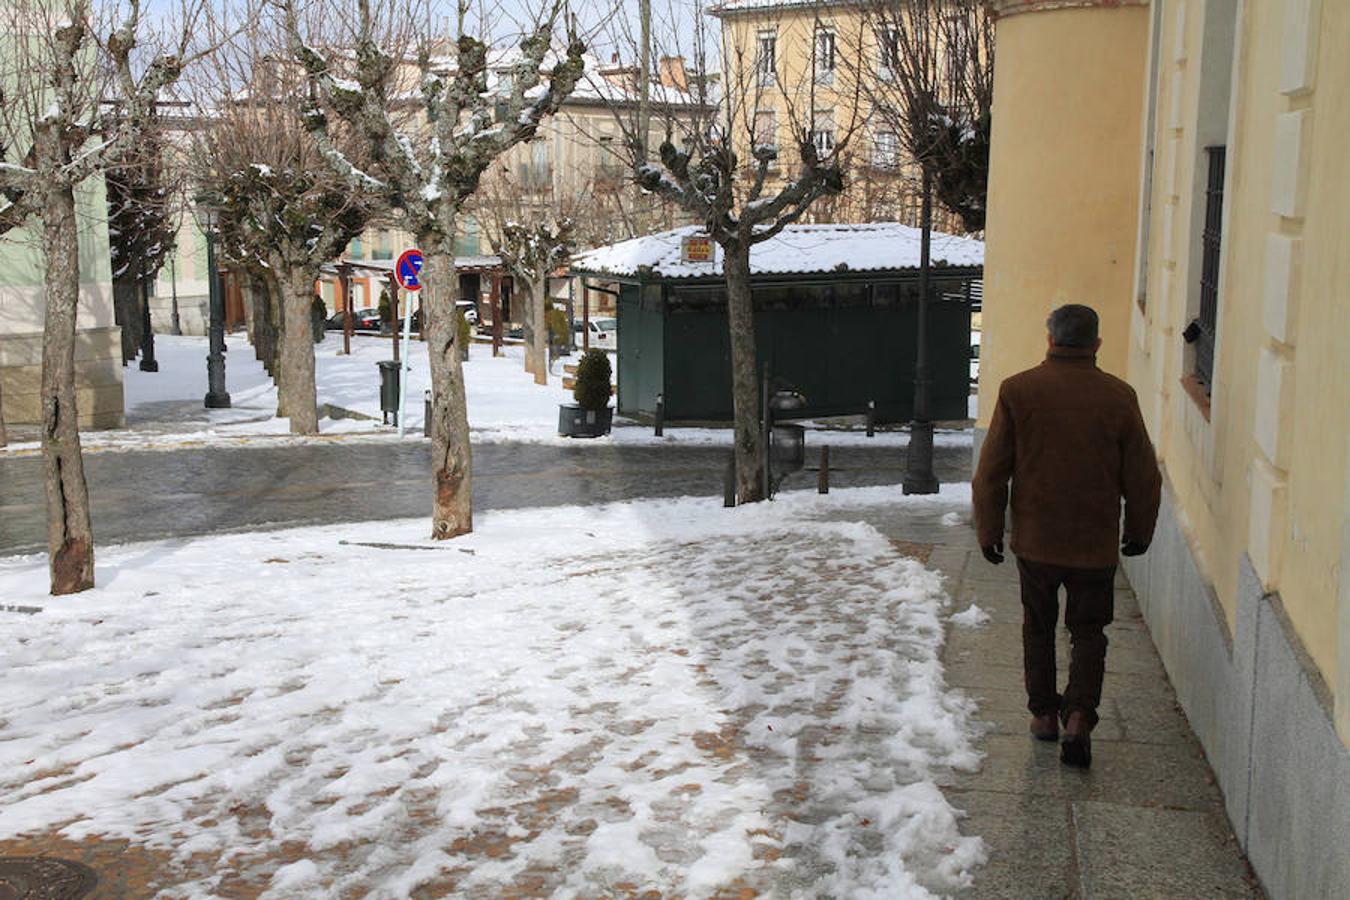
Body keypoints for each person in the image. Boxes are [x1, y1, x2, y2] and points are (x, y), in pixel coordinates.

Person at [972, 304, 1161, 768]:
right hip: (1093, 542)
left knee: (1037, 626)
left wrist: (989, 529)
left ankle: (1043, 715)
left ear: (1050, 340)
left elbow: (992, 472)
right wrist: (1139, 530)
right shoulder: (1120, 396)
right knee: (1089, 631)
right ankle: (1079, 715)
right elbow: (1142, 475)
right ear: (1097, 344)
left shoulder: (1019, 391)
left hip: (1036, 539)